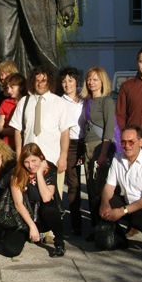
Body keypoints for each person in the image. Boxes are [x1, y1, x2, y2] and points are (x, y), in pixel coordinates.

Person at [100, 125, 142, 254]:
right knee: (99, 201)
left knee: (137, 217)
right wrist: (105, 203)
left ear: (141, 142)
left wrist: (122, 211)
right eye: (123, 141)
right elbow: (109, 186)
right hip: (129, 200)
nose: (127, 145)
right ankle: (119, 238)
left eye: (131, 142)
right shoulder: (117, 159)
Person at [9, 65, 75, 189]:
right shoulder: (24, 102)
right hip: (29, 162)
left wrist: (63, 157)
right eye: (37, 80)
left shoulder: (59, 103)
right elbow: (18, 130)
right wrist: (19, 156)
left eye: (44, 80)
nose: (40, 84)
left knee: (53, 197)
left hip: (52, 159)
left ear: (49, 81)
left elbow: (65, 132)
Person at [2, 143, 66, 258]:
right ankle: (29, 235)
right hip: (23, 217)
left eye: (34, 161)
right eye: (26, 162)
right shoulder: (17, 172)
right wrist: (32, 226)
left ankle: (59, 243)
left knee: (50, 209)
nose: (30, 166)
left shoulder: (49, 169)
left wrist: (39, 174)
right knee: (10, 250)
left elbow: (47, 197)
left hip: (43, 215)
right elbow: (18, 204)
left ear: (41, 158)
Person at [81, 67, 116, 239]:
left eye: (95, 79)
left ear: (102, 82)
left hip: (100, 147)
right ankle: (95, 225)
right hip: (87, 146)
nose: (91, 82)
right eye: (89, 79)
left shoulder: (106, 101)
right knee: (91, 188)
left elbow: (109, 128)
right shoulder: (87, 101)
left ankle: (105, 226)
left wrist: (103, 154)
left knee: (101, 188)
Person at [59, 66, 85, 236]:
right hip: (70, 144)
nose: (67, 84)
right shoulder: (60, 102)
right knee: (74, 184)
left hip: (86, 142)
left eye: (70, 80)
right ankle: (76, 223)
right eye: (64, 81)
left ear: (76, 81)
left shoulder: (85, 99)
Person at [0, 72, 26, 147]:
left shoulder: (28, 102)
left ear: (21, 87)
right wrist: (6, 131)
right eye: (7, 88)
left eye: (12, 87)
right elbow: (0, 126)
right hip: (9, 143)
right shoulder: (6, 103)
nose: (9, 91)